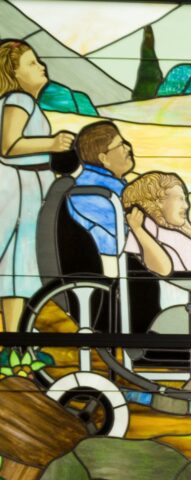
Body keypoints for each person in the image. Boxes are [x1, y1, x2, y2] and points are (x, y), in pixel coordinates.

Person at [0, 40, 74, 332]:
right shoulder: (19, 99)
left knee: (17, 272)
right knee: (17, 270)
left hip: (24, 192)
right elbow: (8, 145)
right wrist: (53, 143)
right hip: (21, 196)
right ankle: (16, 347)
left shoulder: (17, 102)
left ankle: (17, 344)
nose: (41, 66)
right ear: (13, 72)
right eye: (31, 62)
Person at [121, 171, 191, 277]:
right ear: (158, 202)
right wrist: (138, 230)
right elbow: (164, 270)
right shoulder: (143, 233)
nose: (186, 205)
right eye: (180, 198)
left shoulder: (167, 234)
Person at [66, 120, 134, 256]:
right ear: (104, 158)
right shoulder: (107, 191)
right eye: (120, 145)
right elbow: (123, 242)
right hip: (110, 261)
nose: (128, 148)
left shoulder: (85, 182)